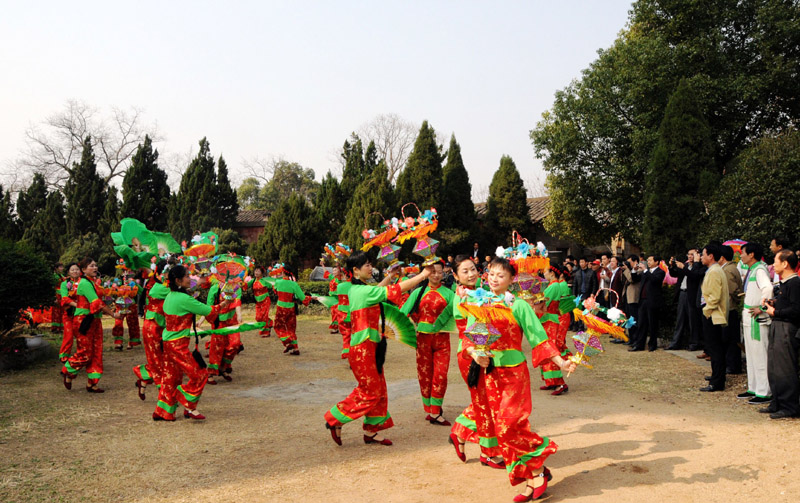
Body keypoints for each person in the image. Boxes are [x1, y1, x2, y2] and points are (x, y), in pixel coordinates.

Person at [464, 258, 576, 502]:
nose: (494, 278)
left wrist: (562, 362)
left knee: (510, 424)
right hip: (490, 373)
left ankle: (537, 471)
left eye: (500, 275)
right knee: (502, 431)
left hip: (514, 373)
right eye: (491, 274)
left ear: (511, 280)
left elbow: (539, 338)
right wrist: (476, 354)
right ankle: (533, 477)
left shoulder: (519, 306)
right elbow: (469, 338)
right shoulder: (478, 303)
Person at [324, 252, 431, 447]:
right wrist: (423, 275)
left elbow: (379, 289)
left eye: (369, 263)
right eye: (366, 265)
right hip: (363, 348)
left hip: (370, 346)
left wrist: (390, 275)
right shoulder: (360, 292)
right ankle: (336, 417)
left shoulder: (360, 289)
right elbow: (394, 291)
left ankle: (371, 431)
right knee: (370, 391)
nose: (370, 267)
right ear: (355, 270)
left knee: (379, 388)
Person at [153, 265, 230, 421]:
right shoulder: (184, 299)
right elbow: (209, 311)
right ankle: (188, 405)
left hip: (167, 342)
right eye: (187, 276)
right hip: (178, 345)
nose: (190, 278)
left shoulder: (170, 295)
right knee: (200, 374)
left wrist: (201, 281)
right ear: (178, 280)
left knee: (170, 377)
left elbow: (195, 287)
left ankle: (163, 412)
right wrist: (224, 303)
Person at [448, 255, 503, 468]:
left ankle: (460, 432)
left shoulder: (479, 292)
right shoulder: (463, 296)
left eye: (473, 269)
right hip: (470, 354)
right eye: (465, 271)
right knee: (484, 402)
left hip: (483, 352)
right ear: (455, 276)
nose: (471, 274)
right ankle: (488, 453)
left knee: (486, 399)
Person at [401, 260, 455, 425]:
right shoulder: (418, 292)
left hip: (442, 338)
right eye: (432, 272)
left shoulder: (449, 294)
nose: (437, 275)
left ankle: (435, 410)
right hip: (422, 339)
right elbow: (403, 313)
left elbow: (459, 313)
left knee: (441, 374)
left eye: (439, 272)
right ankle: (430, 409)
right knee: (425, 375)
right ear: (426, 273)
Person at [61, 257, 122, 392]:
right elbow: (96, 303)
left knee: (96, 352)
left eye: (95, 265)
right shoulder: (84, 283)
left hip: (95, 320)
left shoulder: (94, 283)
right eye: (91, 266)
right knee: (85, 353)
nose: (95, 268)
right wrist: (113, 314)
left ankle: (92, 383)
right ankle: (68, 370)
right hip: (84, 321)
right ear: (83, 270)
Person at [758, 250, 800, 419]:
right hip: (777, 325)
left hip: (786, 328)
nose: (773, 264)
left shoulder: (795, 283)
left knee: (785, 368)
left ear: (785, 263)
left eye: (776, 261)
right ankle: (777, 402)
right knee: (774, 366)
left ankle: (789, 406)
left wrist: (775, 311)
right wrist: (773, 303)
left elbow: (797, 310)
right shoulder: (785, 283)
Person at [738, 242, 773, 403]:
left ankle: (764, 391)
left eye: (743, 252)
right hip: (749, 316)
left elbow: (768, 288)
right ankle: (753, 387)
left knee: (759, 354)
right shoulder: (753, 269)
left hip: (756, 318)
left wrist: (761, 306)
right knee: (751, 354)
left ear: (751, 254)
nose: (741, 255)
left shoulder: (759, 269)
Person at [133, 261, 170, 400]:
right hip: (153, 328)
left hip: (163, 328)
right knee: (159, 361)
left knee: (162, 360)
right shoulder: (158, 288)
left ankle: (143, 378)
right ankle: (165, 394)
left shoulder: (166, 286)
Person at [699, 243, 729, 392]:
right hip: (712, 313)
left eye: (703, 254)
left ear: (711, 256)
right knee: (713, 348)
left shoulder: (715, 271)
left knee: (715, 349)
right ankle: (716, 376)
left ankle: (717, 382)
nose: (701, 257)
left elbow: (715, 296)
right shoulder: (713, 270)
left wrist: (706, 310)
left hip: (713, 315)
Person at [205, 275, 243, 380]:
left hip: (232, 320)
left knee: (235, 344)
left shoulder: (236, 287)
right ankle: (211, 372)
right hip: (218, 322)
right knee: (217, 347)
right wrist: (201, 319)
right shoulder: (214, 288)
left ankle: (223, 366)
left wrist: (239, 314)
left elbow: (237, 302)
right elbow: (209, 307)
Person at [668, 249, 705, 350]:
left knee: (693, 320)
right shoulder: (686, 265)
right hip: (682, 293)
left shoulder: (700, 266)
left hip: (692, 295)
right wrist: (672, 266)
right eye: (688, 254)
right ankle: (675, 343)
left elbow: (694, 276)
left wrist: (684, 267)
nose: (689, 256)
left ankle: (694, 343)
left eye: (692, 254)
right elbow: (674, 274)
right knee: (680, 319)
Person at [629, 255, 665, 352]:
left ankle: (652, 345)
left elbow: (654, 280)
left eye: (650, 260)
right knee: (641, 323)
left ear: (657, 262)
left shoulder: (660, 272)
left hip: (653, 301)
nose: (648, 262)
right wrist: (634, 270)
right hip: (643, 300)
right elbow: (636, 279)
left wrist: (645, 270)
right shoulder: (646, 272)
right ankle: (639, 344)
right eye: (647, 261)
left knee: (652, 323)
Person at [272, 266, 310, 355]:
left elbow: (275, 291)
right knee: (291, 328)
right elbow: (302, 298)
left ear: (283, 272)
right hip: (291, 308)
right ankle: (295, 348)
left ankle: (288, 341)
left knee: (278, 326)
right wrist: (310, 297)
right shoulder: (294, 284)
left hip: (281, 308)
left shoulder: (278, 282)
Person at [719, 245, 744, 374]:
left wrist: (736, 300)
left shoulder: (728, 270)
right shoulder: (728, 268)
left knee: (730, 339)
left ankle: (732, 365)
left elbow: (733, 290)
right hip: (729, 307)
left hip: (729, 307)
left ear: (722, 257)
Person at [57, 262, 81, 362]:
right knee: (69, 335)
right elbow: (65, 298)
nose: (75, 271)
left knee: (81, 336)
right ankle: (64, 355)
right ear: (68, 272)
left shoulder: (84, 282)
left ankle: (82, 355)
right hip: (69, 314)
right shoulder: (65, 284)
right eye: (72, 270)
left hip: (81, 315)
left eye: (77, 269)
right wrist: (77, 304)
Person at [112, 271, 141, 351]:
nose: (126, 275)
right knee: (118, 323)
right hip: (120, 304)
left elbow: (141, 291)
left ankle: (132, 342)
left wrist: (136, 285)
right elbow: (113, 291)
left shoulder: (134, 282)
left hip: (131, 304)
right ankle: (118, 342)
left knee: (132, 323)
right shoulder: (118, 281)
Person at [248, 265, 275, 338]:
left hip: (265, 300)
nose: (256, 272)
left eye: (258, 271)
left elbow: (273, 285)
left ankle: (265, 332)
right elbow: (245, 286)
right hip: (258, 301)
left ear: (262, 273)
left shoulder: (265, 280)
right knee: (258, 317)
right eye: (255, 270)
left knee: (264, 316)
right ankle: (270, 323)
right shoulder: (252, 281)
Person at [621, 255, 642, 346]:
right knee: (628, 319)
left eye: (629, 262)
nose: (628, 264)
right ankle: (631, 338)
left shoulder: (640, 270)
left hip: (633, 298)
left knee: (634, 319)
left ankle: (636, 339)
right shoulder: (628, 270)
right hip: (627, 297)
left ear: (635, 261)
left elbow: (631, 279)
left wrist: (626, 269)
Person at [51, 262, 65, 334]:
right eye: (60, 267)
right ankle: (55, 328)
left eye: (62, 267)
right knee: (56, 311)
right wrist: (54, 297)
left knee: (61, 311)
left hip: (62, 295)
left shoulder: (61, 275)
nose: (62, 268)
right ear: (56, 268)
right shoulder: (54, 276)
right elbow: (53, 287)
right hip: (57, 295)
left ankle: (60, 328)